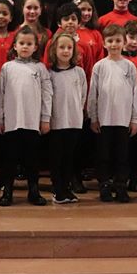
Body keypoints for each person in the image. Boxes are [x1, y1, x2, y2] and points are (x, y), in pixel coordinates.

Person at [0, 26, 52, 206]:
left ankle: (33, 190)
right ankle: (7, 190)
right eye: (21, 43)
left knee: (32, 159)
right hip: (12, 122)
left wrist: (45, 118)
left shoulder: (40, 68)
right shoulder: (7, 68)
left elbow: (47, 94)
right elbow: (0, 94)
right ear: (15, 46)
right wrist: (0, 119)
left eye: (29, 44)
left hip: (32, 122)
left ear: (35, 47)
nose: (25, 46)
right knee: (9, 158)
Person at [88, 24, 137, 203]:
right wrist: (94, 117)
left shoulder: (129, 66)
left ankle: (120, 186)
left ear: (124, 42)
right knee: (103, 155)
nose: (114, 44)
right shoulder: (99, 66)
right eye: (110, 41)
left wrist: (134, 119)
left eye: (118, 41)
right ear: (104, 43)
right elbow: (93, 94)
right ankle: (104, 185)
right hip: (104, 119)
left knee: (122, 156)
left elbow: (135, 93)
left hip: (123, 119)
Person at [46, 31, 88, 204]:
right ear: (54, 50)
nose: (65, 51)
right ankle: (58, 189)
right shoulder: (49, 74)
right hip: (57, 122)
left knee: (70, 156)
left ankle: (67, 187)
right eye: (62, 47)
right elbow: (47, 97)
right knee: (57, 157)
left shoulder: (79, 72)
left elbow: (83, 95)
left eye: (69, 48)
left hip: (74, 121)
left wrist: (78, 111)